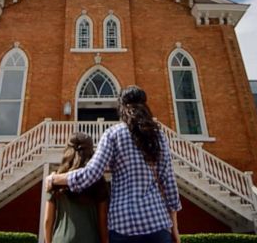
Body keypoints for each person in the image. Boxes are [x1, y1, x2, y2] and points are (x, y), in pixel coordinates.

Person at [46, 85, 182, 243]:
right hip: (156, 222)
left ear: (122, 108)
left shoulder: (113, 134)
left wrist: (55, 179)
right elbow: (169, 182)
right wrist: (175, 227)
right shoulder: (158, 135)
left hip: (123, 225)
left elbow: (91, 174)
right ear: (145, 106)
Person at [44, 132, 109, 243]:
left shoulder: (54, 180)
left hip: (61, 239)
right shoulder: (98, 181)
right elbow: (103, 221)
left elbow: (47, 221)